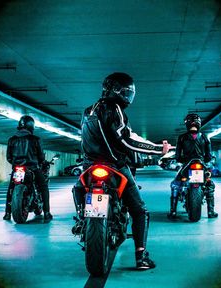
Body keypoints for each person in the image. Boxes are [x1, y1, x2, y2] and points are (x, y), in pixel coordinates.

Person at [72, 72, 170, 270]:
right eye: (126, 92)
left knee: (77, 189)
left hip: (90, 166)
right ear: (115, 91)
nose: (128, 97)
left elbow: (83, 140)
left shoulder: (87, 111)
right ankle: (141, 256)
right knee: (140, 211)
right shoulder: (114, 108)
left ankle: (83, 217)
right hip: (114, 165)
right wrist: (159, 149)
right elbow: (126, 139)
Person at [167, 113, 218, 219]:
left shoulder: (181, 138)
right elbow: (208, 156)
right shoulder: (205, 137)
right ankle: (211, 212)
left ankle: (173, 211)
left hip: (186, 164)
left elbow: (177, 156)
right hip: (201, 164)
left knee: (176, 185)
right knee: (209, 185)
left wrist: (180, 160)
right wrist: (206, 160)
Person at [3, 115, 53, 222]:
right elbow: (40, 157)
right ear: (31, 126)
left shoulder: (11, 140)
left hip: (17, 169)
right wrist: (40, 162)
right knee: (43, 187)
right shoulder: (35, 139)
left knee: (11, 188)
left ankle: (7, 213)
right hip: (32, 168)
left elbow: (9, 157)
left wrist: (16, 164)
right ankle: (47, 213)